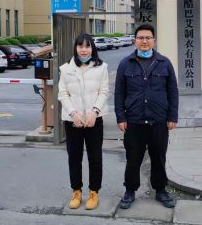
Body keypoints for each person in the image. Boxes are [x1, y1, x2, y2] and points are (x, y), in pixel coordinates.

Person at [114, 23, 179, 209]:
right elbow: (119, 92)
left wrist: (172, 116)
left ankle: (160, 190)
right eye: (141, 38)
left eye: (148, 38)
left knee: (158, 158)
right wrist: (121, 117)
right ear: (135, 41)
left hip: (159, 121)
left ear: (154, 41)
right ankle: (130, 191)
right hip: (134, 121)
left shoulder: (164, 63)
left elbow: (172, 92)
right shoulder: (125, 63)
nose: (144, 41)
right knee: (133, 159)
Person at [58, 33, 109, 210]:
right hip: (73, 120)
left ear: (92, 48)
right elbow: (62, 94)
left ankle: (94, 192)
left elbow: (104, 91)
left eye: (87, 46)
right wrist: (73, 113)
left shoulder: (102, 68)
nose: (84, 50)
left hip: (94, 120)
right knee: (74, 157)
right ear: (76, 48)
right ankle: (76, 191)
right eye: (80, 46)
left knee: (95, 157)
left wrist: (95, 112)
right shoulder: (66, 69)